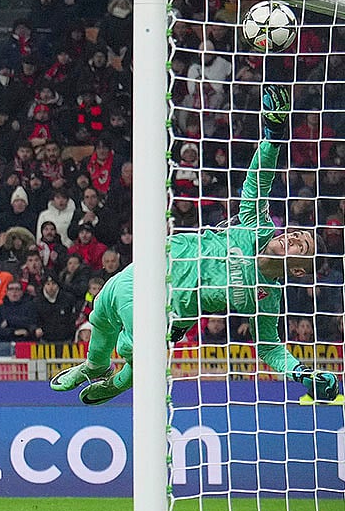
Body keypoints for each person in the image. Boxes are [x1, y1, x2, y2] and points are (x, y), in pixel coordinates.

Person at [52, 85, 340, 405]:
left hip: (168, 307)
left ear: (298, 269)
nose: (292, 237)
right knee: (102, 311)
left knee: (135, 344)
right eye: (297, 234)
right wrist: (273, 133)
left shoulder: (265, 297)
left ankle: (120, 380)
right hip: (156, 262)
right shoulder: (256, 227)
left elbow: (269, 347)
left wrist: (303, 374)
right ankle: (95, 367)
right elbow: (259, 179)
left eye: (302, 244)